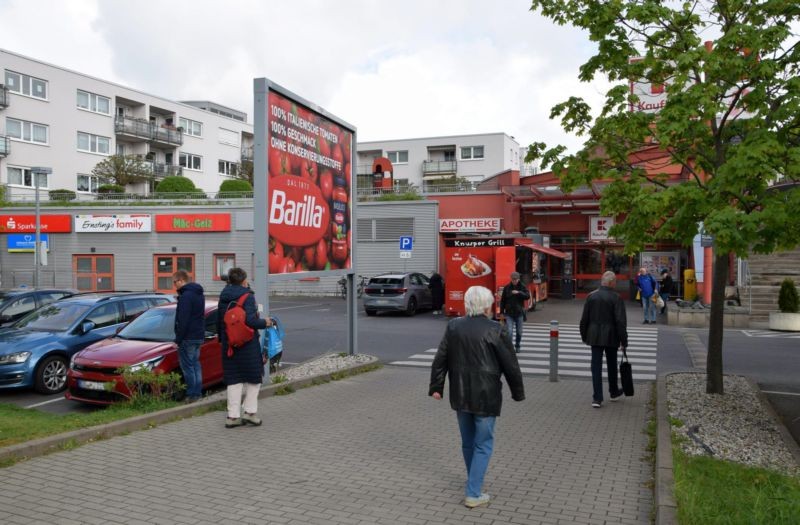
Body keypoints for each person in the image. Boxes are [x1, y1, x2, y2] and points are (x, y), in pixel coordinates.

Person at [429, 285, 525, 509]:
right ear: (487, 304)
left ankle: (474, 479)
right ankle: (473, 492)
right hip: (486, 395)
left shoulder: (454, 326)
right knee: (483, 444)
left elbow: (440, 358)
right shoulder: (496, 329)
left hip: (460, 393)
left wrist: (437, 386)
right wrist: (517, 392)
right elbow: (510, 364)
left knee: (468, 442)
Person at [217, 267, 270, 428]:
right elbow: (251, 322)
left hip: (230, 344)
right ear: (244, 280)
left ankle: (232, 417)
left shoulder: (223, 295)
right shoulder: (248, 296)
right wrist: (265, 322)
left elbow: (220, 321)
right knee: (255, 377)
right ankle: (249, 412)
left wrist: (223, 340)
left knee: (234, 379)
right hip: (247, 344)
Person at [580, 271, 628, 408]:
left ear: (602, 281)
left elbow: (584, 319)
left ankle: (597, 398)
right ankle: (613, 391)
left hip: (594, 335)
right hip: (612, 336)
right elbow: (620, 322)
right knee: (612, 365)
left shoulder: (591, 296)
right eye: (615, 282)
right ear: (612, 282)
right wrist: (624, 341)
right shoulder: (616, 297)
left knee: (596, 367)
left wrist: (584, 336)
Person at [173, 270, 205, 403]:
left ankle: (192, 395)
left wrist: (178, 339)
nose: (174, 286)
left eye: (174, 282)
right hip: (198, 335)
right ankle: (198, 393)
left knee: (188, 367)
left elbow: (183, 320)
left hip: (188, 337)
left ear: (181, 280)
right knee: (195, 364)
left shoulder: (186, 297)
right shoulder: (199, 294)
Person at [499, 272, 530, 352]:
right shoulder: (507, 288)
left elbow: (527, 296)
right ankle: (510, 347)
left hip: (519, 313)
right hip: (509, 313)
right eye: (513, 279)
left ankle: (517, 345)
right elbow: (502, 301)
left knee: (519, 331)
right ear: (511, 279)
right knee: (509, 331)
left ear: (518, 279)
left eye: (516, 279)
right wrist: (501, 312)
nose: (514, 281)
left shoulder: (522, 287)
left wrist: (519, 293)